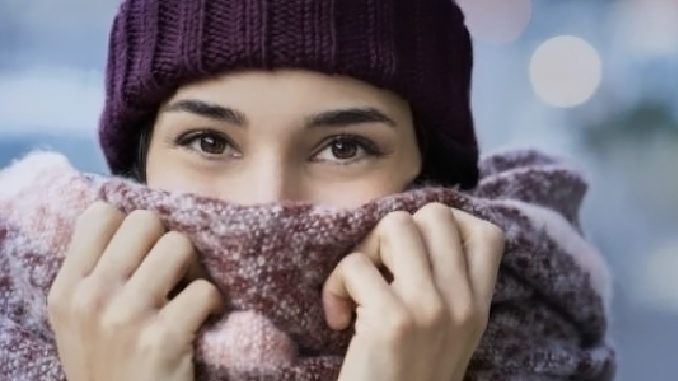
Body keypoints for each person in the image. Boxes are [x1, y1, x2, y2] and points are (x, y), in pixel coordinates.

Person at [0, 0, 612, 380]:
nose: (268, 201)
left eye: (344, 146)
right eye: (209, 142)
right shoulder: (22, 331)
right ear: (138, 168)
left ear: (432, 182)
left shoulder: (536, 342)